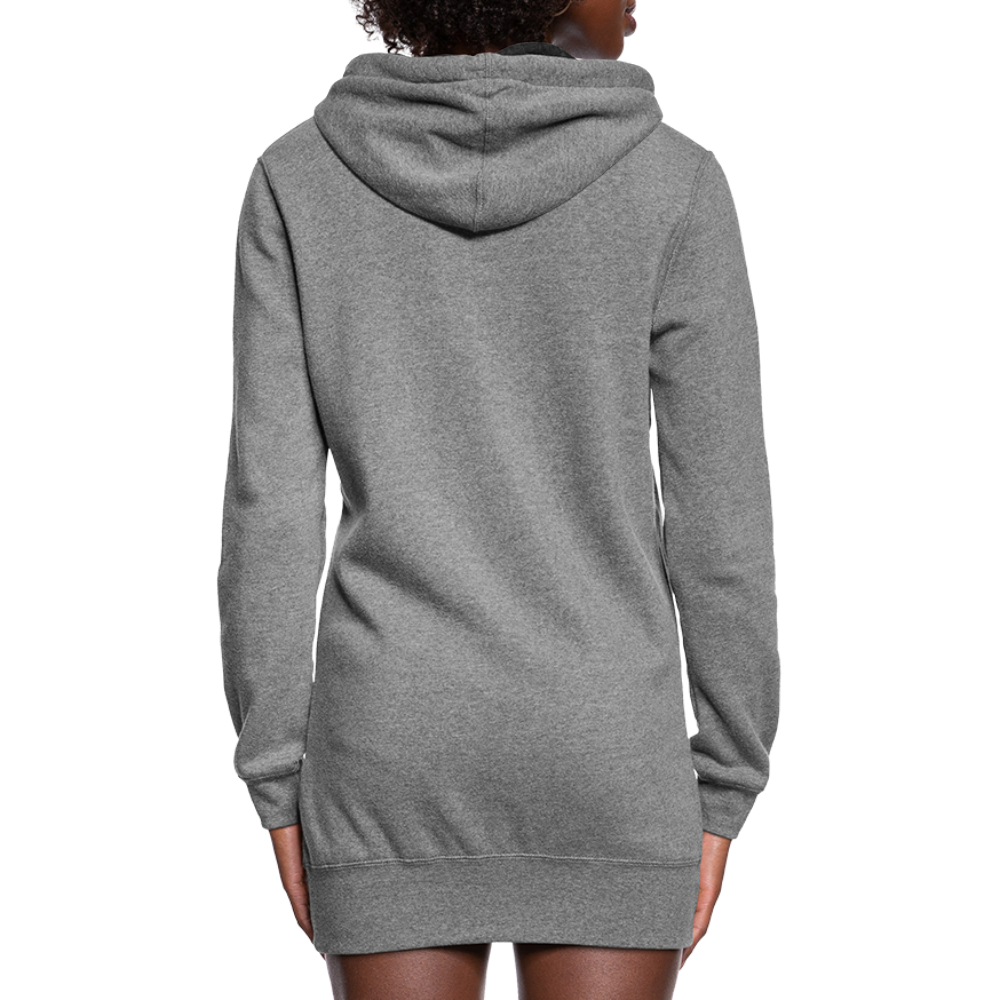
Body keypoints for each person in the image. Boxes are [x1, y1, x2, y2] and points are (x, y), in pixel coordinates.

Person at [218, 0, 781, 997]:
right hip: (605, 746)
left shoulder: (299, 177)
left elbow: (267, 507)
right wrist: (728, 777)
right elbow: (721, 521)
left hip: (388, 743)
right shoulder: (674, 181)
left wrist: (273, 772)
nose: (637, 4)